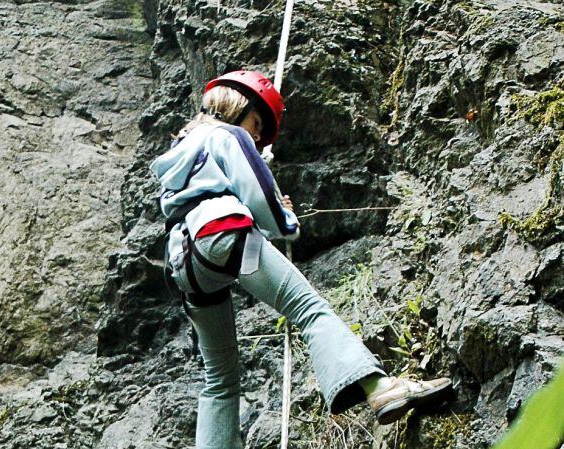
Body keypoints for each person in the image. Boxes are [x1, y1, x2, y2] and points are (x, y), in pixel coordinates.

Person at [149, 70, 452, 449]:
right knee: (309, 309)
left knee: (219, 377)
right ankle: (381, 388)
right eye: (257, 123)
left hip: (186, 264)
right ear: (238, 106)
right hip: (223, 235)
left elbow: (200, 199)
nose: (257, 135)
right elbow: (258, 193)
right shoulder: (230, 135)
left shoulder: (179, 152)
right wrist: (285, 220)